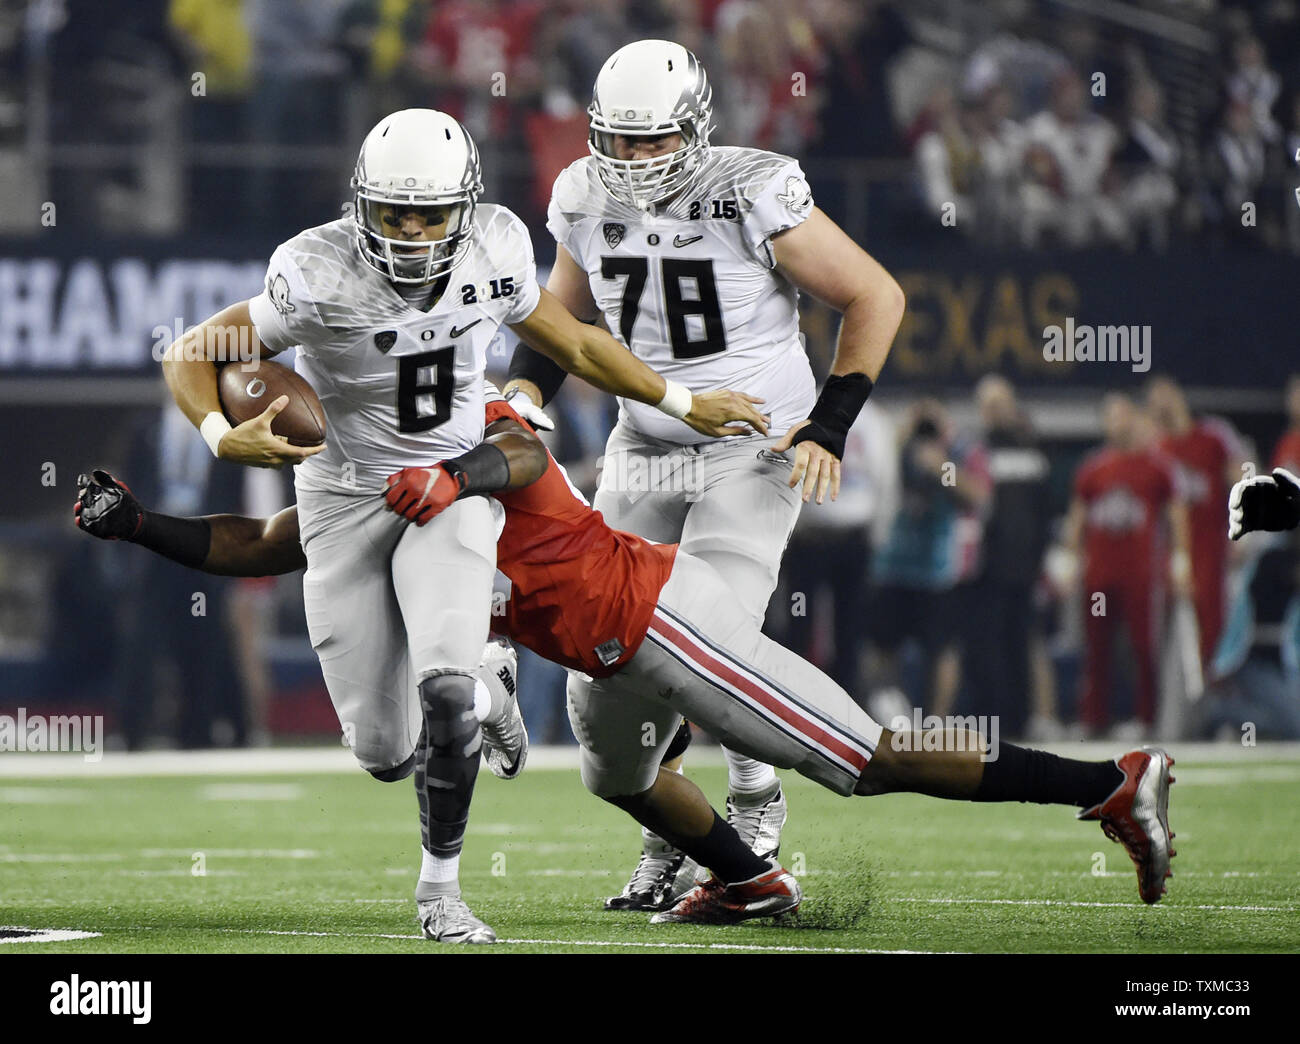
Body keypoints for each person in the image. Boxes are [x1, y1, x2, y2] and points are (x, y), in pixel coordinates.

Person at [74, 395, 1178, 920]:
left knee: (866, 756)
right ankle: (748, 882)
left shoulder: (468, 430)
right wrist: (141, 527)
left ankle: (1110, 785)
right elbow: (265, 546)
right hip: (599, 658)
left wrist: (454, 475)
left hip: (662, 621)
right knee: (615, 773)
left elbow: (516, 452)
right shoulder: (367, 476)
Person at [157, 107, 766, 944]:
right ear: (361, 205)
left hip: (448, 489)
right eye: (393, 212)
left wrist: (687, 402)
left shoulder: (497, 249)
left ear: (465, 206)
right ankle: (489, 684)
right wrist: (220, 434)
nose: (410, 231)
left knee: (441, 696)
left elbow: (578, 346)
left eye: (429, 212)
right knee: (383, 753)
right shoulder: (315, 271)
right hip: (343, 501)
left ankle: (440, 891)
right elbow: (191, 351)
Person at [503, 38, 907, 911]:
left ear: (695, 129)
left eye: (656, 141)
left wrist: (828, 427)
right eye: (622, 141)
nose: (639, 159)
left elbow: (875, 294)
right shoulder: (580, 192)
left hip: (752, 442)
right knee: (612, 658)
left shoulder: (751, 185)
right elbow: (561, 321)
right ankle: (670, 833)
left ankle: (756, 799)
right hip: (643, 444)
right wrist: (527, 393)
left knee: (708, 635)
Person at [1063, 394, 1191, 735]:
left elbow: (1177, 515)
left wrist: (1180, 558)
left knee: (1143, 646)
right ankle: (1094, 718)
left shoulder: (1158, 466)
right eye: (1110, 416)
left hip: (1141, 574)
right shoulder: (1094, 468)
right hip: (1100, 575)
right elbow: (1078, 518)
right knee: (1097, 646)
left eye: (1121, 415)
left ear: (1134, 418)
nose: (1116, 423)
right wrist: (1069, 558)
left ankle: (1147, 718)